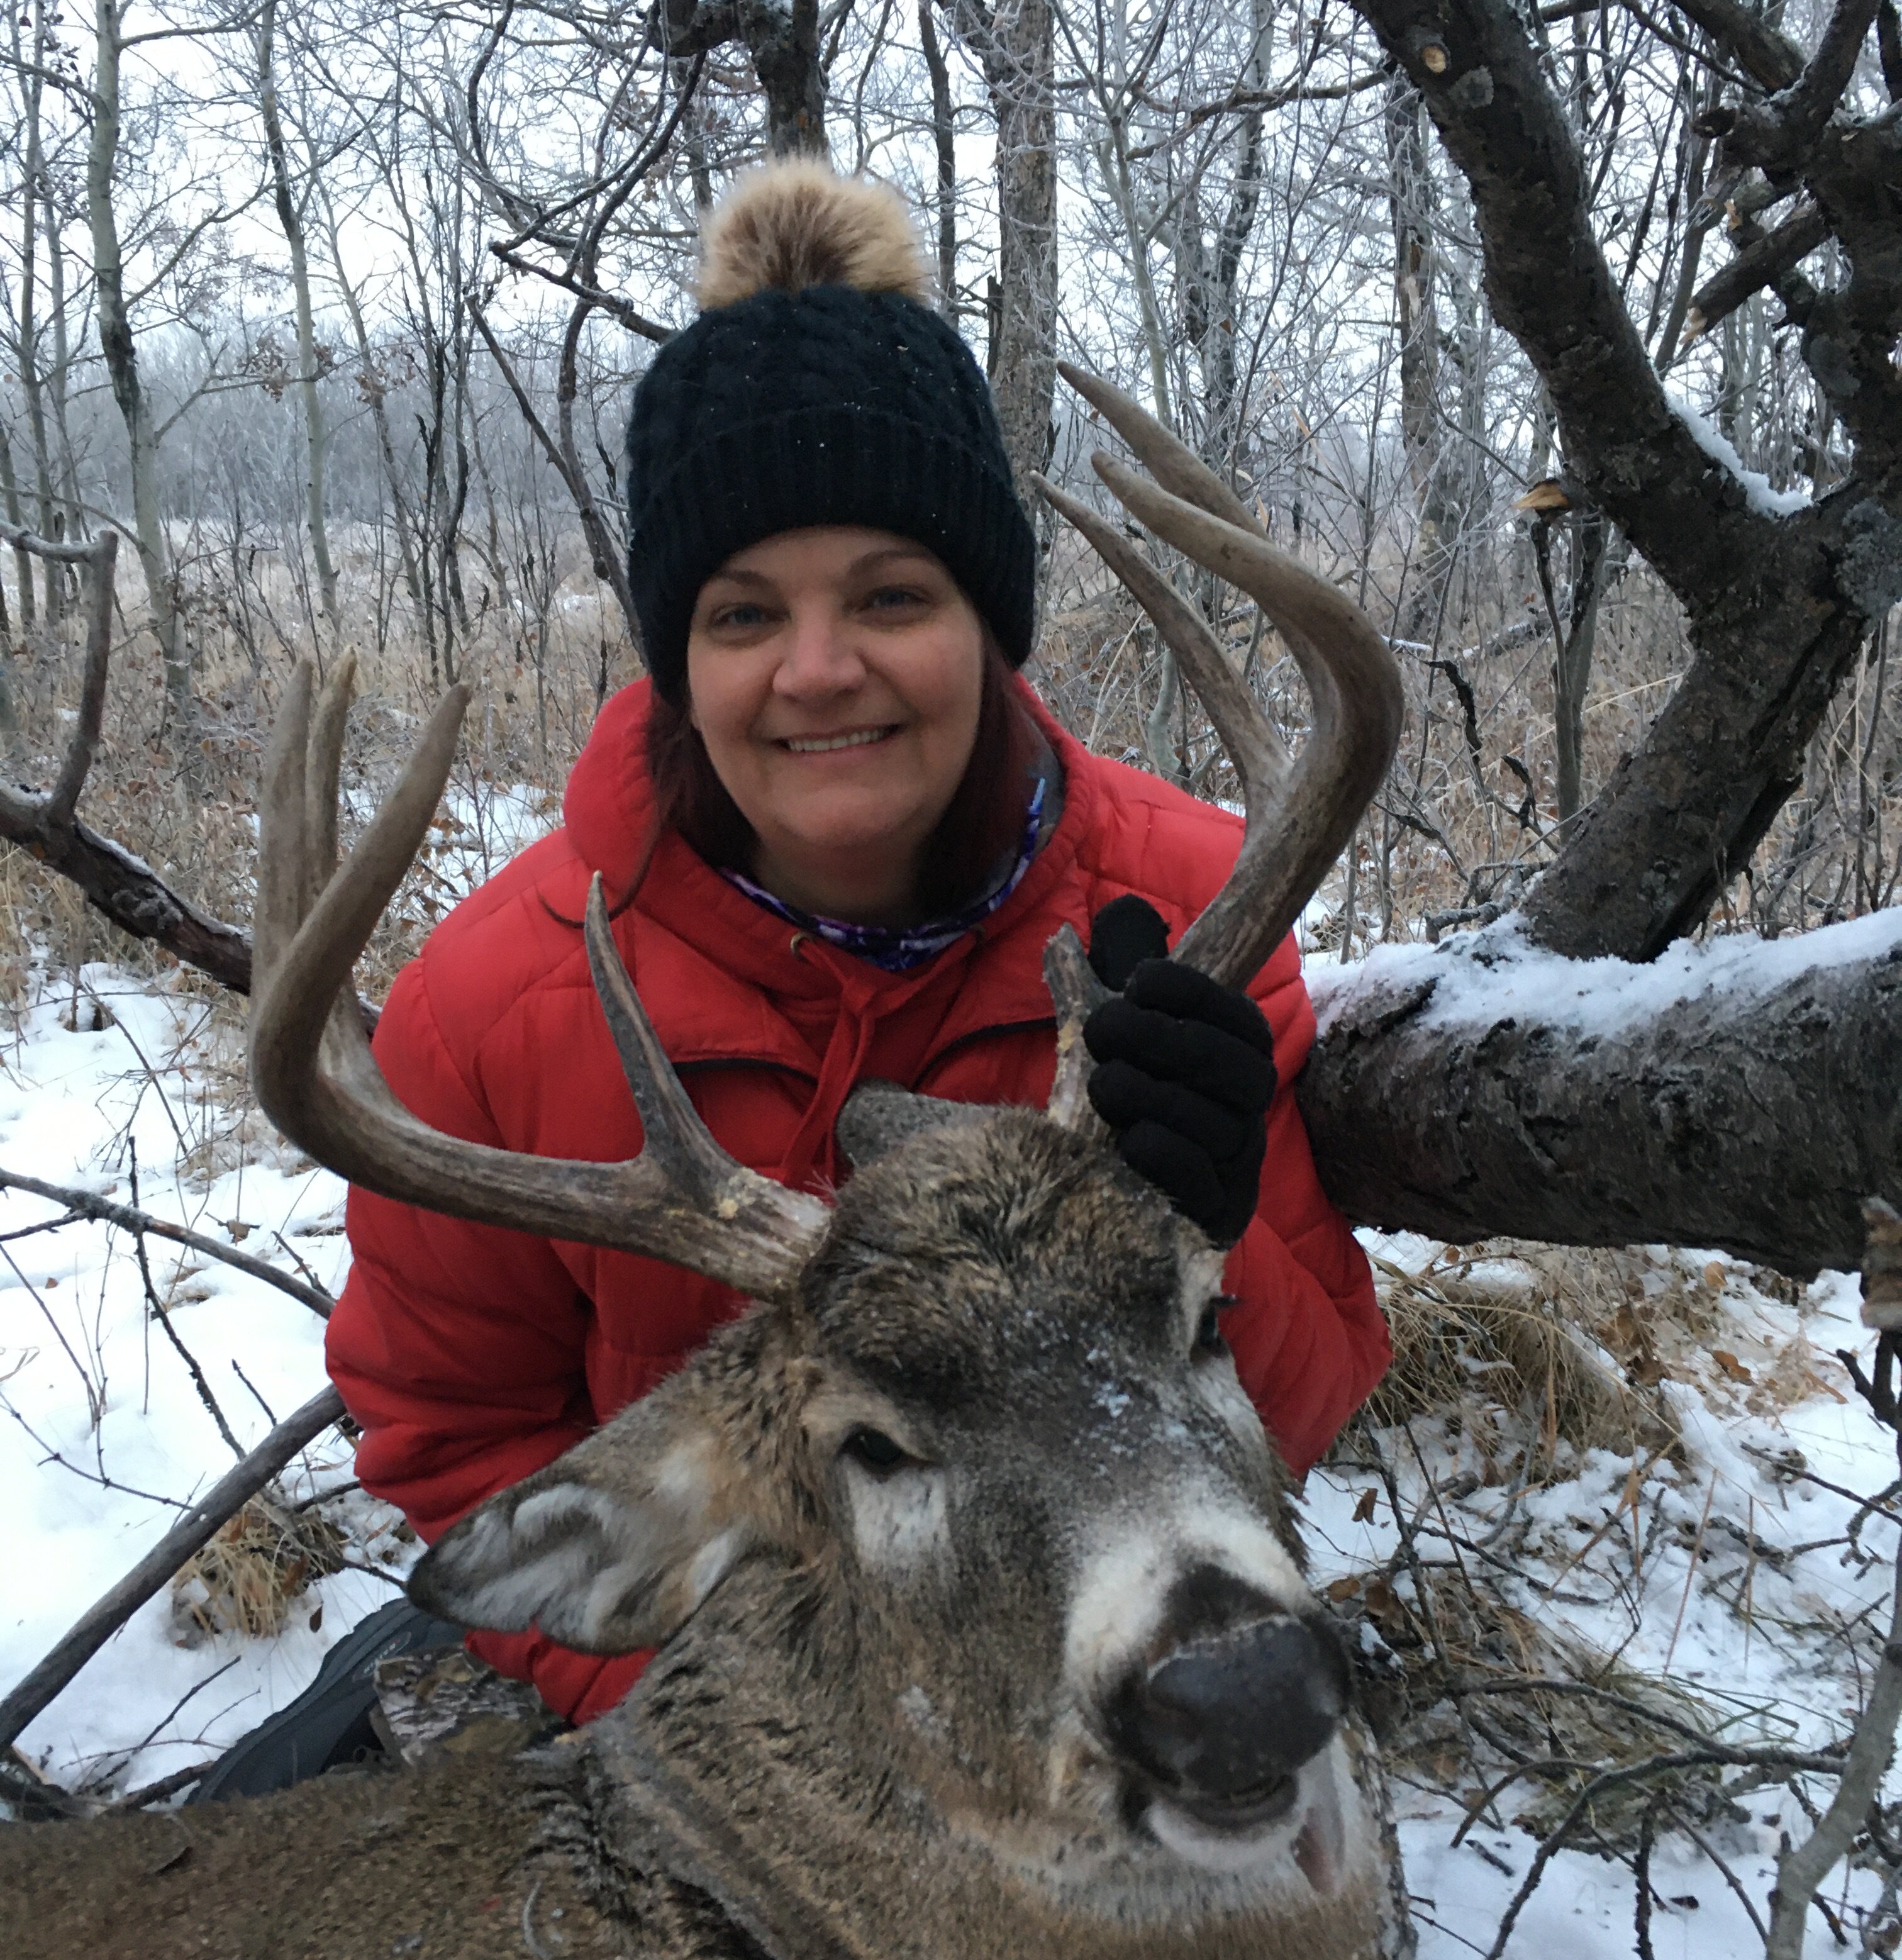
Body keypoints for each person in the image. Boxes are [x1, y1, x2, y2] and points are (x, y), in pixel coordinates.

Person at [204, 162, 1389, 1794]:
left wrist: (1214, 1212)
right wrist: (746, 1741)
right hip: (709, 1680)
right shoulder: (498, 1009)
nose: (819, 669)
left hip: (1111, 1651)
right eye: (746, 611)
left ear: (990, 622)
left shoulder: (1186, 915)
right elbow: (459, 1448)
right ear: (681, 659)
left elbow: (1311, 1408)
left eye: (893, 597)